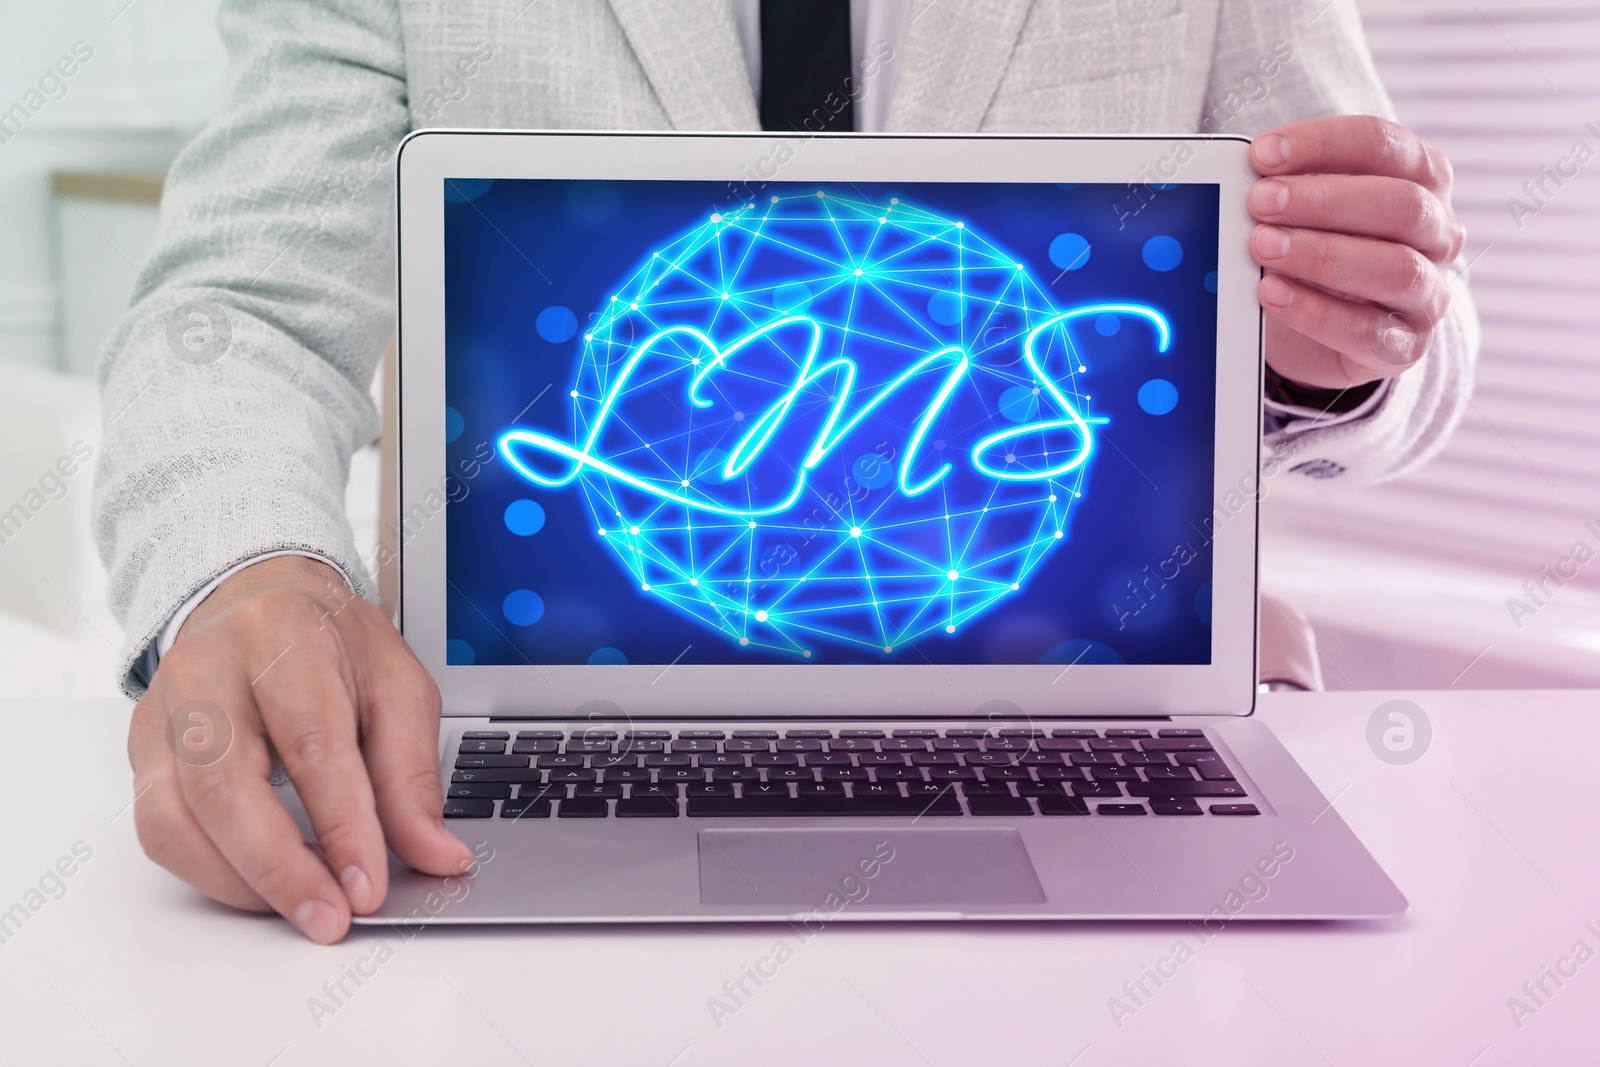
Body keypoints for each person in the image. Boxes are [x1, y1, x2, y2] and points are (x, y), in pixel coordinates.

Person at [96, 0, 1477, 943]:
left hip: (1076, 704)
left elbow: (1400, 293)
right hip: (550, 729)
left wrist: (1332, 347)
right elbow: (249, 311)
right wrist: (246, 566)